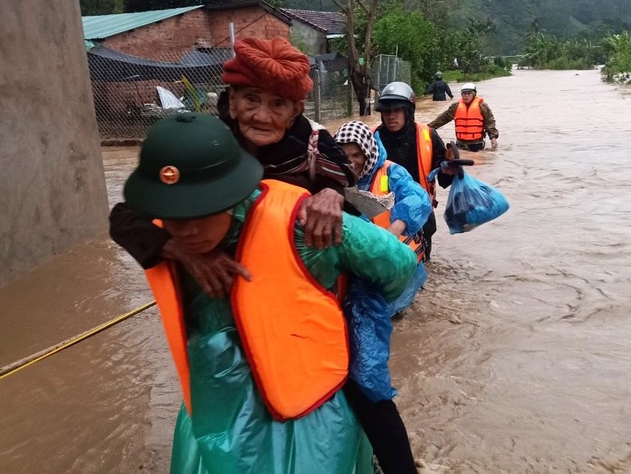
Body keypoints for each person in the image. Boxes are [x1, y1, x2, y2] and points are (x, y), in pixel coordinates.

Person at [123, 112, 418, 473]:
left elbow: (398, 264)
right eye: (173, 216)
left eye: (200, 212)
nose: (186, 231)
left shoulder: (306, 225)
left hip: (310, 398)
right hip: (218, 399)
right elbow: (124, 219)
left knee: (372, 411)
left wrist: (354, 309)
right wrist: (173, 248)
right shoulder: (158, 232)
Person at [109, 36, 357, 299]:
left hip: (299, 281)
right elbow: (124, 218)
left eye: (278, 104)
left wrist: (332, 192)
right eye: (251, 99)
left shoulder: (314, 143)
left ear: (295, 111)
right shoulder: (203, 144)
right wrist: (181, 250)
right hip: (230, 284)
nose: (262, 116)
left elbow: (339, 187)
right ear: (233, 102)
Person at [334, 120, 433, 473]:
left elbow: (418, 198)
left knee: (368, 371)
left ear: (367, 152)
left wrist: (394, 230)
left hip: (387, 272)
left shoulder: (391, 173)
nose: (351, 162)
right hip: (352, 273)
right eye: (343, 156)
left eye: (355, 155)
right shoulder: (333, 180)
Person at [374, 81, 457, 262]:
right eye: (386, 112)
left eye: (396, 111)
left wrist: (450, 169)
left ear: (408, 112)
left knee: (420, 265)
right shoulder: (371, 138)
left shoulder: (428, 136)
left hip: (420, 214)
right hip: (381, 216)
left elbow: (443, 180)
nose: (391, 116)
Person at [427, 82, 500, 152]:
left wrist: (493, 138)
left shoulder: (482, 106)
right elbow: (443, 118)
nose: (466, 96)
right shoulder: (455, 106)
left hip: (477, 144)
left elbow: (490, 122)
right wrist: (428, 128)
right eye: (464, 93)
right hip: (460, 144)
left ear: (474, 94)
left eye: (469, 93)